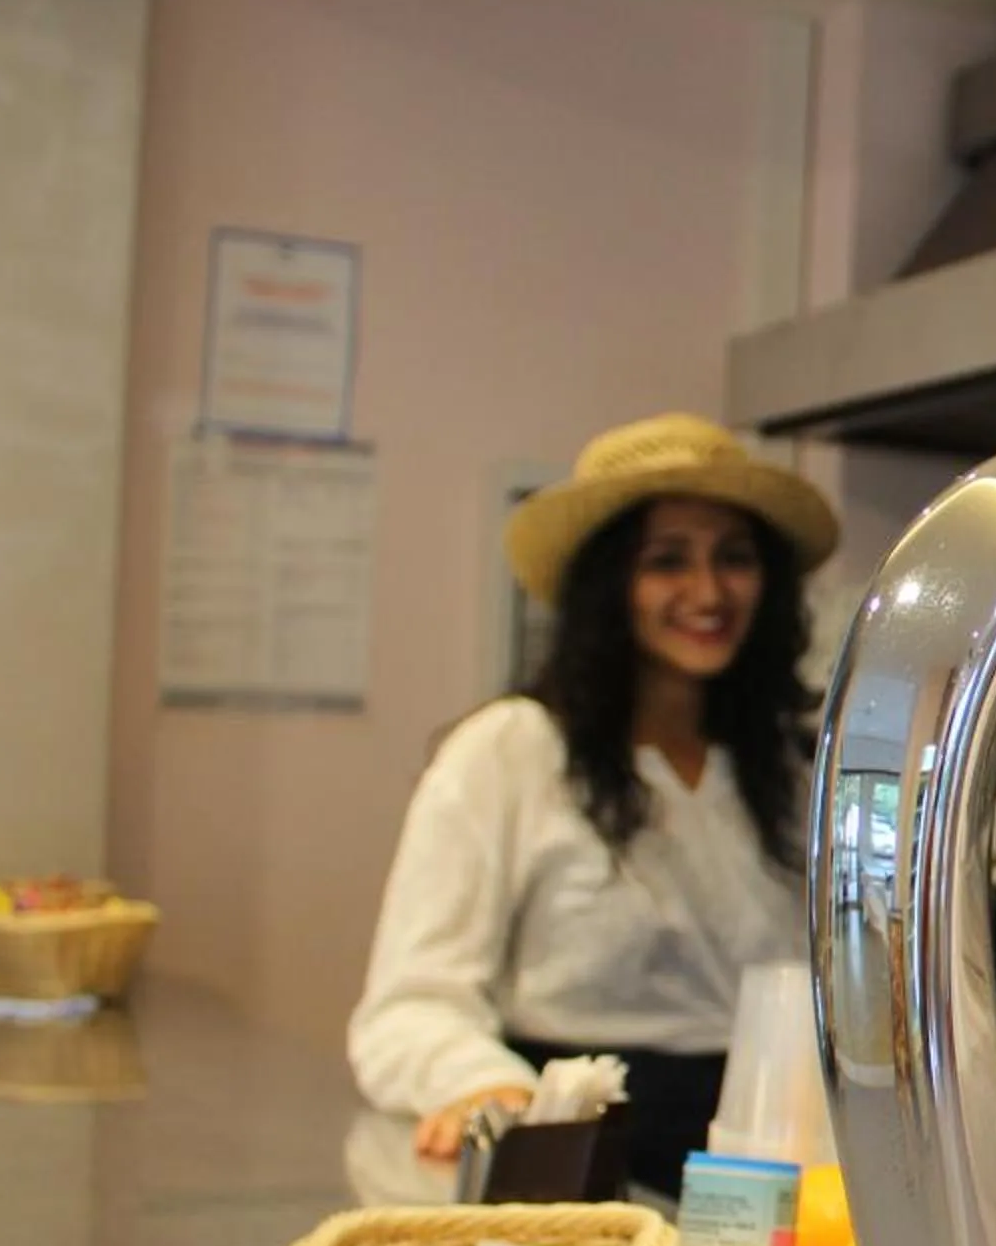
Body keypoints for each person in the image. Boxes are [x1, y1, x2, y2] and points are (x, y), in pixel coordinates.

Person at [347, 414, 837, 1196]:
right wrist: (485, 1088)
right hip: (573, 1170)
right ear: (609, 585)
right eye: (667, 561)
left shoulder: (789, 771)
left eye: (734, 559)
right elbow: (408, 1008)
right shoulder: (509, 754)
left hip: (770, 1172)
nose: (708, 592)